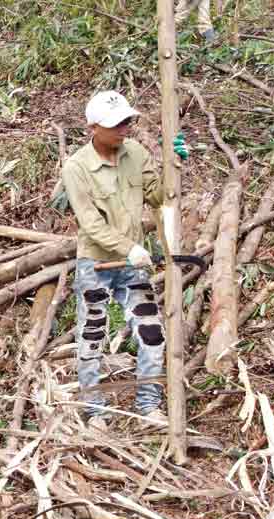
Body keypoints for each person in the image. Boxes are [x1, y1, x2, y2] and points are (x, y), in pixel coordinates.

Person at [60, 91, 187, 430]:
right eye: (116, 124)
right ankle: (94, 411)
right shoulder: (76, 168)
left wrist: (174, 168)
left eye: (127, 122)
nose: (124, 129)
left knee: (151, 332)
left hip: (133, 264)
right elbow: (90, 223)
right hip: (96, 264)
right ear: (93, 127)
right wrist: (128, 248)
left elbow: (159, 197)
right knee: (91, 335)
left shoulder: (136, 153)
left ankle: (149, 406)